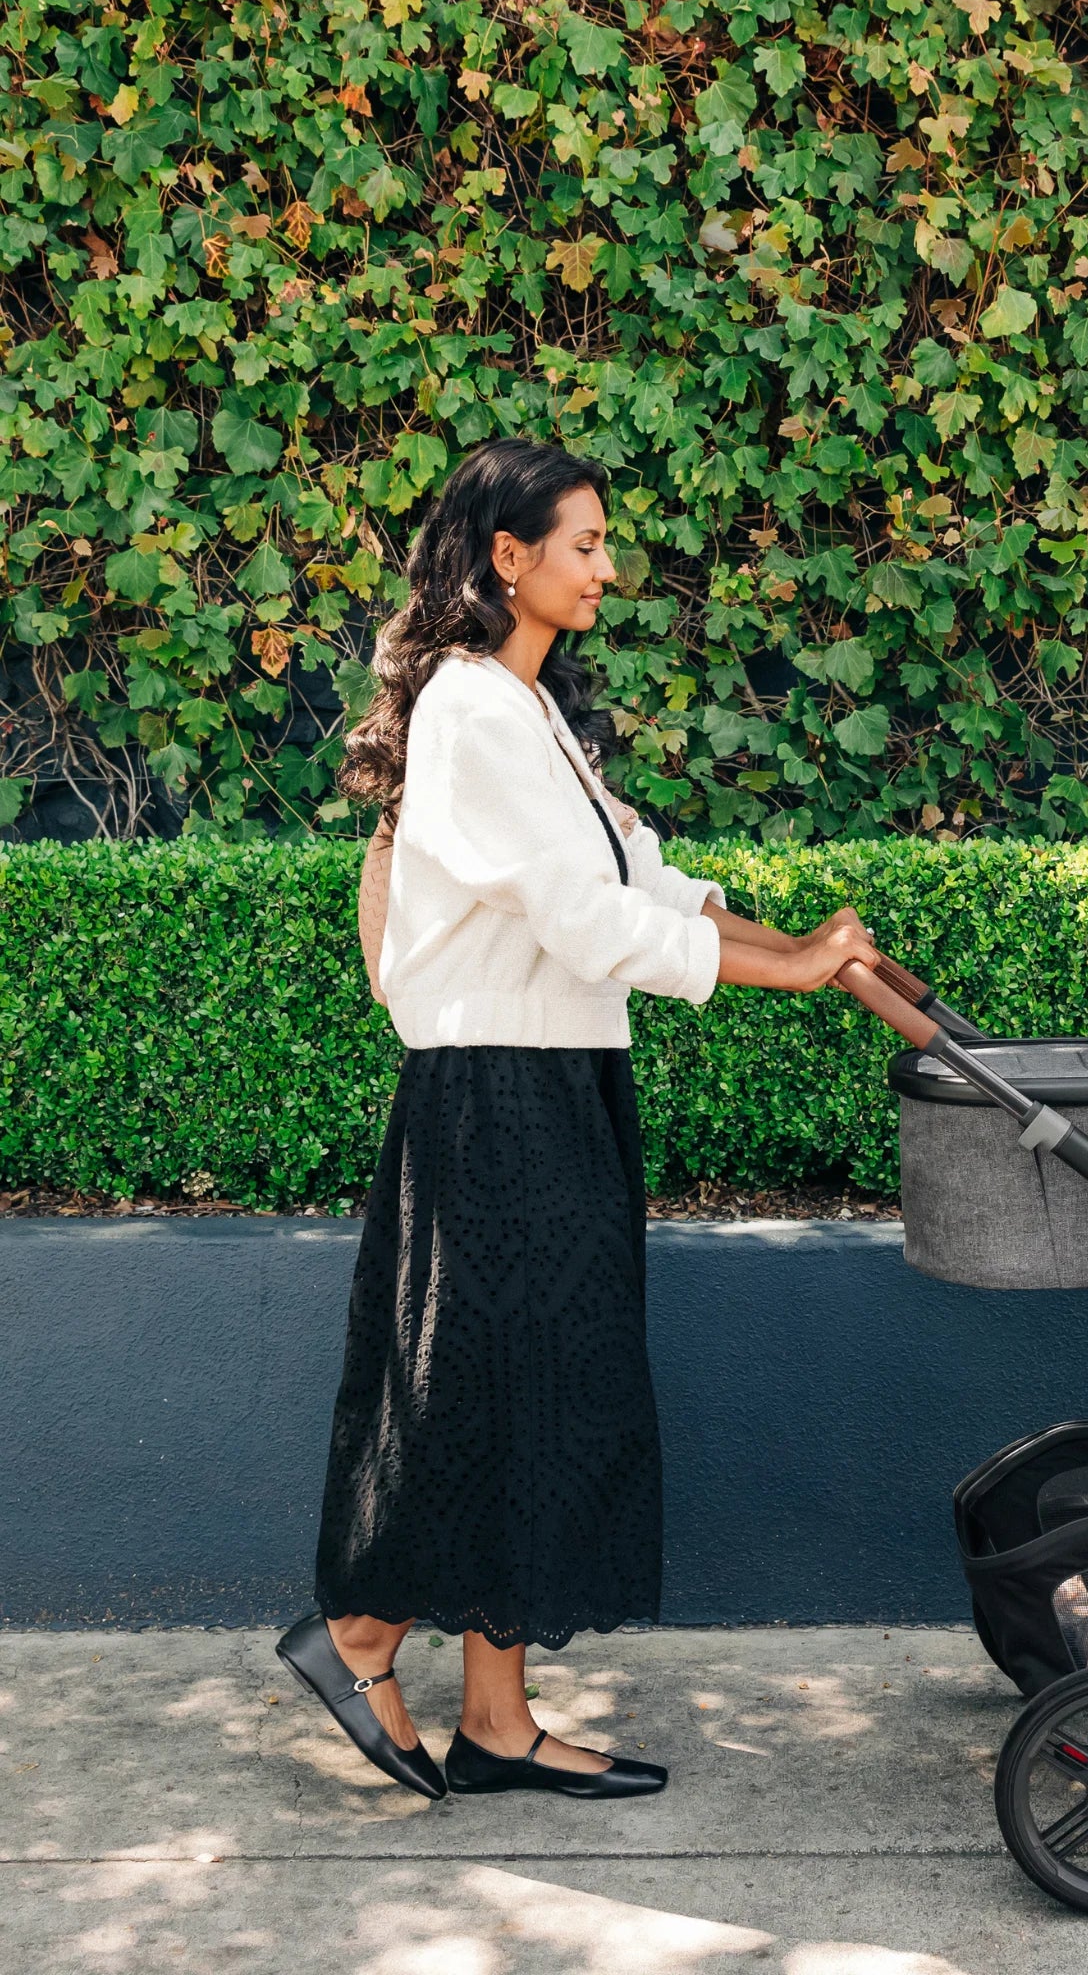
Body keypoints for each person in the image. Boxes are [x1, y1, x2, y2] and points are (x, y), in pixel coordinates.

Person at [275, 437, 880, 1802]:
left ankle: (497, 1720)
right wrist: (779, 969)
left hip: (554, 1084)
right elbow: (584, 918)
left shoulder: (525, 708)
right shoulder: (473, 712)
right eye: (587, 544)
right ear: (510, 556)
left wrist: (798, 936)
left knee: (534, 1407)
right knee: (483, 1402)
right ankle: (357, 1632)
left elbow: (638, 866)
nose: (609, 568)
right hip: (490, 1100)